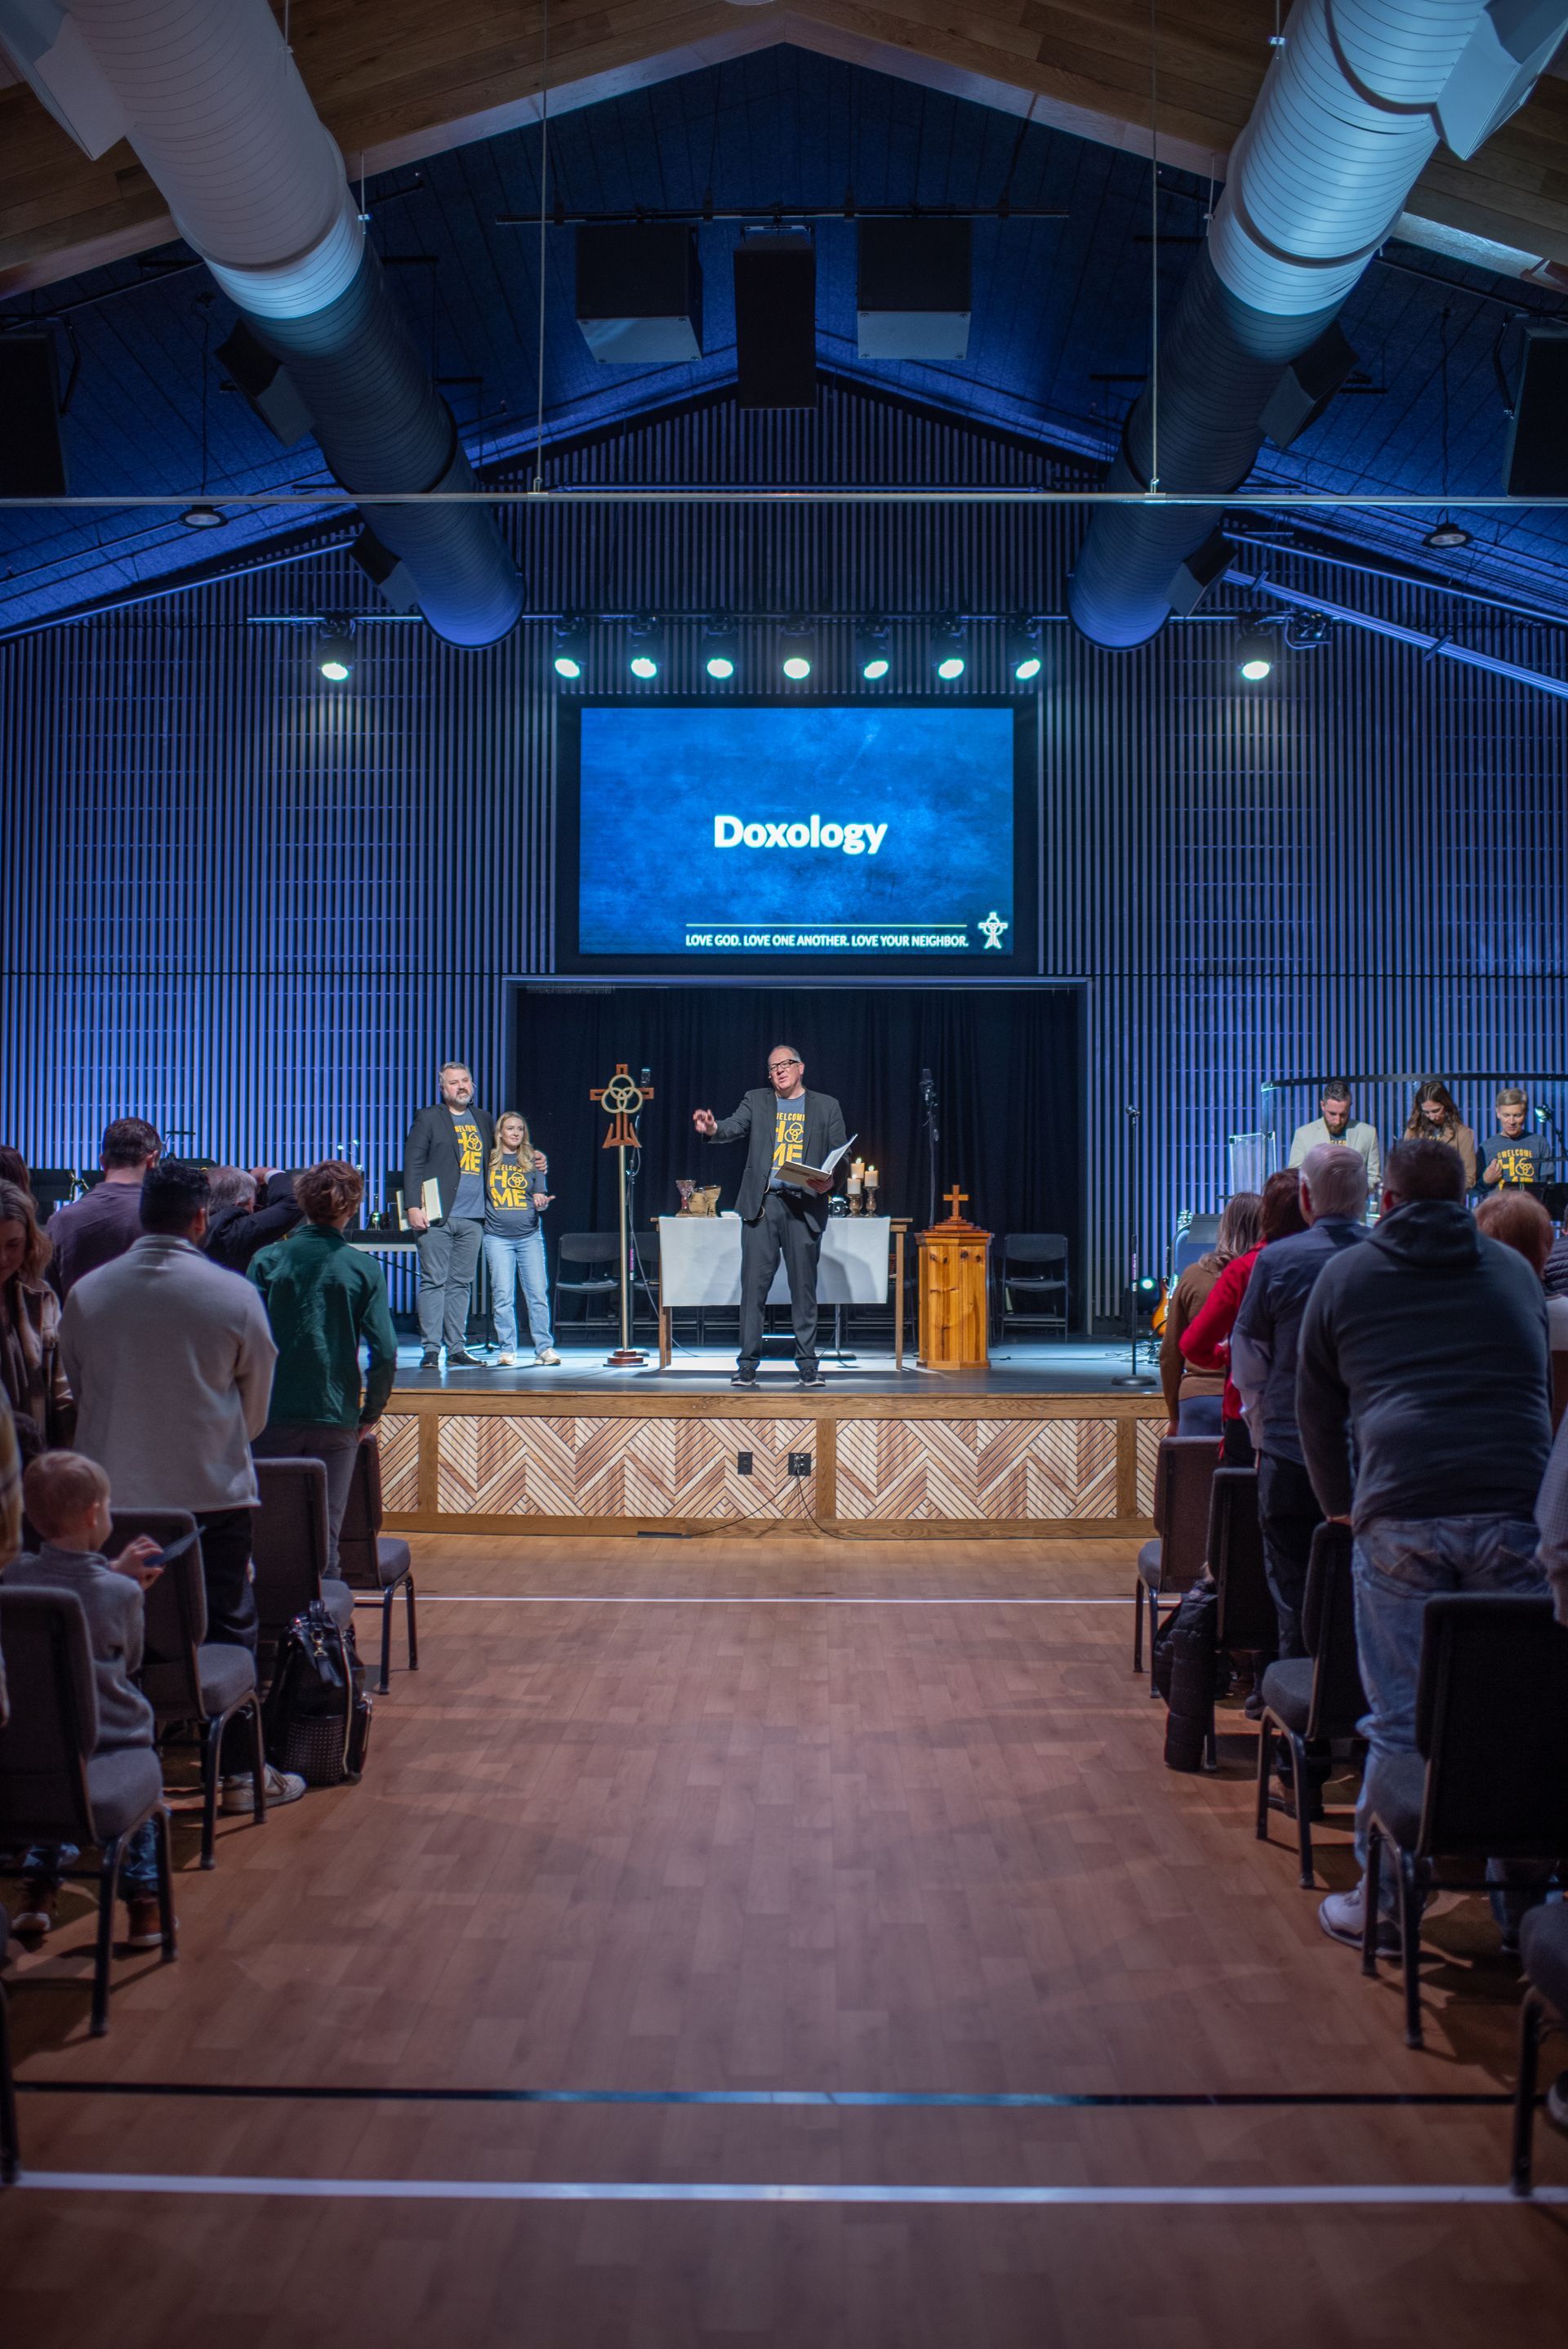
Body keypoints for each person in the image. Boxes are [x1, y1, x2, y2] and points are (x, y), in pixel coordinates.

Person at [1297, 1137, 1552, 1953]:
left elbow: (1314, 1409)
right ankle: (1525, 1916)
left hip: (1401, 1510)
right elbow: (1537, 1386)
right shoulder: (1514, 1272)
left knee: (1403, 1720)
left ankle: (1386, 1907)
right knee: (1514, 1711)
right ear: (1463, 1193)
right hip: (1517, 1509)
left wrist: (1343, 1509)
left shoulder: (1349, 1274)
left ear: (1389, 1200)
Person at [59, 1161, 303, 1815]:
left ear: (144, 1216)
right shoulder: (231, 1294)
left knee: (119, 1634)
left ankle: (125, 1770)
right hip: (212, 1492)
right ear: (201, 1219)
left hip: (111, 1499)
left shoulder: (88, 1293)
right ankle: (235, 1778)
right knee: (227, 1628)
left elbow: (80, 1388)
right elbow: (256, 1404)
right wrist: (215, 1441)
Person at [5, 1450, 167, 1948]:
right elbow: (132, 1660)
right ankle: (145, 1906)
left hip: (32, 1749)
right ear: (96, 1514)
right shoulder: (122, 1594)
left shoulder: (14, 1578)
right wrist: (120, 1578)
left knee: (55, 1780)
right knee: (142, 1773)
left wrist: (111, 1571)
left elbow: (65, 1589)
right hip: (111, 1739)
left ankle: (35, 1893)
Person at [1230, 1146, 1368, 1659]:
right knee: (1361, 1579)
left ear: (1306, 1197)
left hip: (1289, 1446)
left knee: (1289, 1579)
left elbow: (1248, 1359)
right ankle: (1350, 1702)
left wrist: (1261, 1429)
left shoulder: (1277, 1259)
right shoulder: (1385, 1258)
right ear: (1368, 1197)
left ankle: (1295, 1699)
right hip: (1367, 1452)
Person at [250, 1160, 399, 1567]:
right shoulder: (364, 1267)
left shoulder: (267, 1260)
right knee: (324, 1543)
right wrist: (370, 1413)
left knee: (268, 1539)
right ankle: (324, 1627)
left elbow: (245, 1342)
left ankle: (270, 1628)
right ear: (351, 1208)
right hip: (335, 1414)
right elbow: (385, 1352)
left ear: (301, 1202)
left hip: (269, 1415)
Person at [693, 1045, 845, 1389]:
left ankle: (808, 1364)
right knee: (753, 1291)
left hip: (804, 1206)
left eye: (785, 1064)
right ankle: (747, 1364)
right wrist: (712, 1128)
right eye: (772, 1067)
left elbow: (840, 1154)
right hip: (764, 1206)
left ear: (801, 1067)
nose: (779, 1071)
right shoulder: (757, 1100)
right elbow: (732, 1127)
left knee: (804, 1290)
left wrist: (830, 1180)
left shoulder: (826, 1106)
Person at [1178, 1170, 1308, 1464]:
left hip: (1250, 1410)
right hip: (1316, 1407)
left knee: (1242, 1501)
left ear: (1268, 1214)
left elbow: (1193, 1345)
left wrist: (1228, 1356)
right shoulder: (1332, 1261)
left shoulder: (1244, 1269)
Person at [403, 1063, 496, 1370]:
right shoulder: (429, 1117)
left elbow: (500, 1158)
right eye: (454, 1083)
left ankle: (456, 1347)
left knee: (461, 1283)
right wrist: (412, 1206)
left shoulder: (483, 1119)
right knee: (434, 1281)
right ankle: (431, 1349)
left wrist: (535, 1159)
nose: (461, 1087)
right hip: (436, 1214)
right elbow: (413, 1162)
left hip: (474, 1216)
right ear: (443, 1089)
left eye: (465, 1080)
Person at [1160, 1193, 1263, 1437]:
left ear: (1224, 1227)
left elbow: (1169, 1354)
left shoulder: (1193, 1274)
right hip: (1255, 1399)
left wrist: (1174, 1415)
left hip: (1198, 1399)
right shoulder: (1269, 1273)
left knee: (1196, 1475)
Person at [0, 1176, 74, 1464]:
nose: (3, 1257)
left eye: (13, 1244)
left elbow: (62, 1392)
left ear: (30, 1242)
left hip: (31, 1460)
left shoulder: (40, 1298)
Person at [44, 1117, 161, 1299]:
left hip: (75, 1327)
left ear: (102, 1161)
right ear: (151, 1160)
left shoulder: (60, 1221)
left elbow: (49, 1299)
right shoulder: (165, 1219)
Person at [483, 1112, 559, 1367]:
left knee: (537, 1294)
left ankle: (544, 1349)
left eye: (519, 1129)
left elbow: (540, 1198)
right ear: (500, 1132)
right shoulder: (489, 1160)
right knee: (503, 1295)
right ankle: (507, 1349)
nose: (515, 1133)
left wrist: (541, 1203)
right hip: (497, 1238)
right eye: (510, 1129)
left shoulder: (533, 1161)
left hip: (529, 1237)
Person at [1286, 1081, 1381, 1205]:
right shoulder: (1303, 1135)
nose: (1337, 1121)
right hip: (1317, 1211)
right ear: (1322, 1106)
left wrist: (1354, 1190)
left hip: (1354, 1212)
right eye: (1332, 1114)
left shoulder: (1368, 1133)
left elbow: (1374, 1178)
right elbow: (1295, 1177)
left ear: (1349, 1107)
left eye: (1343, 1115)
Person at [204, 1164, 304, 1274]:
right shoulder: (231, 1232)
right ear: (238, 1205)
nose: (254, 1212)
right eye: (254, 1206)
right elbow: (293, 1202)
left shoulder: (191, 1224)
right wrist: (267, 1173)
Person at [1401, 1078, 1477, 1190]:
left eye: (1436, 1111)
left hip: (1448, 1200)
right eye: (1426, 1112)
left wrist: (1444, 1189)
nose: (1432, 1117)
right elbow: (1404, 1169)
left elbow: (1469, 1178)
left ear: (1446, 1106)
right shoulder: (1413, 1132)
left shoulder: (1463, 1134)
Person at [1480, 1088, 1550, 1191]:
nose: (1511, 1122)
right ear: (1498, 1113)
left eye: (1517, 1115)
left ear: (1525, 1113)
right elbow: (1472, 1192)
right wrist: (1485, 1181)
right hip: (1499, 1206)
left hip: (1530, 1205)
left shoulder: (1540, 1143)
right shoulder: (1486, 1147)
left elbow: (1547, 1187)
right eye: (1506, 1115)